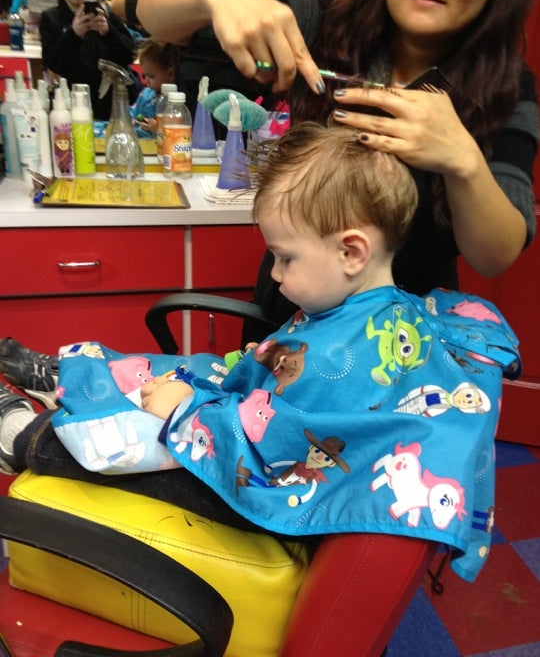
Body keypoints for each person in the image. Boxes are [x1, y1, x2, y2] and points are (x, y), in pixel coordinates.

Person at [0, 123, 521, 581]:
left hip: (267, 491)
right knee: (188, 368)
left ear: (351, 251)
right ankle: (63, 374)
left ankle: (26, 437)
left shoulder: (336, 359)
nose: (274, 274)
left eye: (284, 257)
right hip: (254, 416)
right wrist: (260, 362)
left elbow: (274, 446)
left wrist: (184, 411)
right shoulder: (368, 312)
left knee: (137, 439)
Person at [136, 0, 539, 344]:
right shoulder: (322, 19)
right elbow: (152, 14)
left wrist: (463, 161)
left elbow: (494, 256)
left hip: (411, 341)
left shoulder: (504, 87)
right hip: (291, 320)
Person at [39, 0, 138, 120]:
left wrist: (108, 32)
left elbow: (129, 54)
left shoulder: (105, 12)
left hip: (112, 106)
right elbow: (53, 65)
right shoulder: (51, 18)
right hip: (73, 106)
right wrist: (74, 34)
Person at [129, 38, 177, 137]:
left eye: (151, 76)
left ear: (170, 74)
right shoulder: (146, 93)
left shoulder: (174, 102)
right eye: (144, 75)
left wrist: (158, 129)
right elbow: (134, 111)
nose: (146, 80)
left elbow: (176, 132)